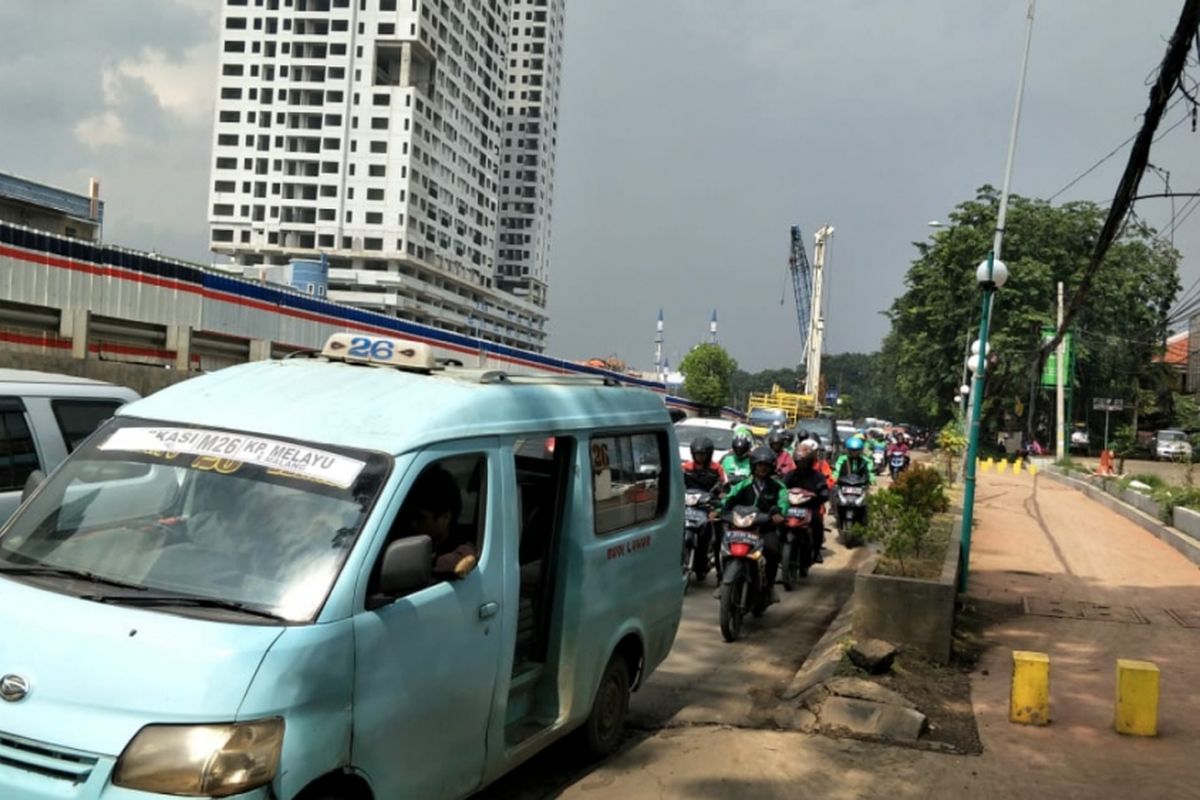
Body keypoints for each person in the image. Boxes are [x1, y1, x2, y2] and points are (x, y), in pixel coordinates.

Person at [721, 445, 787, 603]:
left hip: (764, 529)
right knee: (724, 548)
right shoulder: (742, 485)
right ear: (753, 466)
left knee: (773, 551)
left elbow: (783, 502)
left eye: (766, 466)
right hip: (741, 528)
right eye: (759, 465)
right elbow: (728, 500)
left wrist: (778, 513)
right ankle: (724, 582)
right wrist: (719, 510)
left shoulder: (778, 487)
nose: (762, 468)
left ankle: (769, 588)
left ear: (771, 468)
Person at [398, 464, 476, 580]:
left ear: (445, 517)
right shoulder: (404, 535)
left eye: (421, 518)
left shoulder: (461, 549)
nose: (413, 524)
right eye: (411, 516)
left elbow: (461, 561)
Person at [784, 438, 831, 563]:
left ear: (810, 461)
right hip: (791, 508)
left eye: (804, 462)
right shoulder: (791, 475)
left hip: (810, 507)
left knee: (817, 524)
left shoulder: (817, 476)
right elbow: (781, 487)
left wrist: (821, 495)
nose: (802, 464)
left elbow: (824, 490)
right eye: (799, 462)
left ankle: (816, 551)